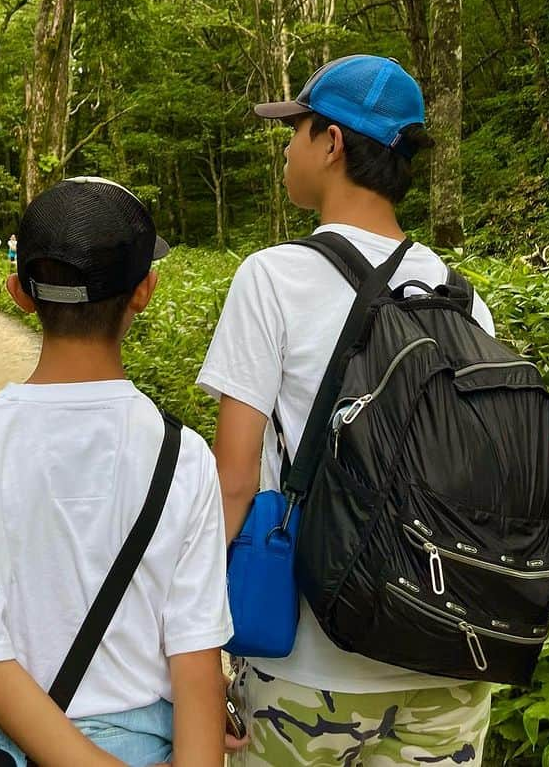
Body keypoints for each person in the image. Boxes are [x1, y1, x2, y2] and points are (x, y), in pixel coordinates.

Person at [198, 55, 497, 767]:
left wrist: (192, 643)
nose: (288, 149)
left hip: (308, 668)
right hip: (447, 660)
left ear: (331, 142)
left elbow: (234, 480)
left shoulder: (271, 277)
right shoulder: (459, 293)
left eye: (295, 130)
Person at [0, 176, 233, 767]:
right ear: (145, 291)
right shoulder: (182, 454)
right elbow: (195, 658)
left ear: (18, 293)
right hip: (140, 744)